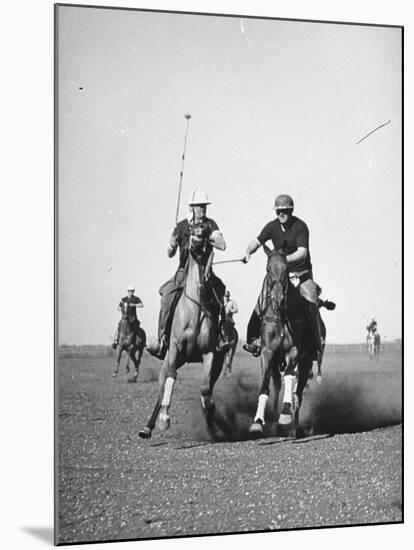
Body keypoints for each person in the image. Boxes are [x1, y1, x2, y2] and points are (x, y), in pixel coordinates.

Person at [242, 194, 335, 358]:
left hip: (301, 274)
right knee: (261, 302)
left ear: (291, 210)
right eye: (278, 211)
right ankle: (254, 340)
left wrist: (282, 260)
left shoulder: (300, 227)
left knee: (311, 302)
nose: (281, 214)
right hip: (280, 275)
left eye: (285, 211)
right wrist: (248, 252)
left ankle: (315, 343)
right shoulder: (271, 227)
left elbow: (302, 253)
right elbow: (257, 241)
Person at [147, 189, 227, 359]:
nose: (203, 209)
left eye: (204, 206)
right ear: (192, 207)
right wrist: (171, 244)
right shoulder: (182, 226)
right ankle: (161, 339)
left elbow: (222, 245)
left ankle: (220, 336)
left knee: (220, 292)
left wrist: (206, 237)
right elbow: (169, 253)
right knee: (166, 296)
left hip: (206, 272)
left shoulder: (211, 224)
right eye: (199, 206)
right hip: (183, 272)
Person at [112, 284, 144, 349]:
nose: (131, 292)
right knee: (119, 326)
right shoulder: (124, 299)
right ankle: (116, 340)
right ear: (127, 291)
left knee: (136, 326)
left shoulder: (136, 299)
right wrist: (123, 309)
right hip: (125, 318)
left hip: (133, 318)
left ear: (133, 292)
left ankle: (138, 339)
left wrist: (134, 305)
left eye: (132, 291)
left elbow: (141, 305)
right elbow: (118, 307)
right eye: (129, 291)